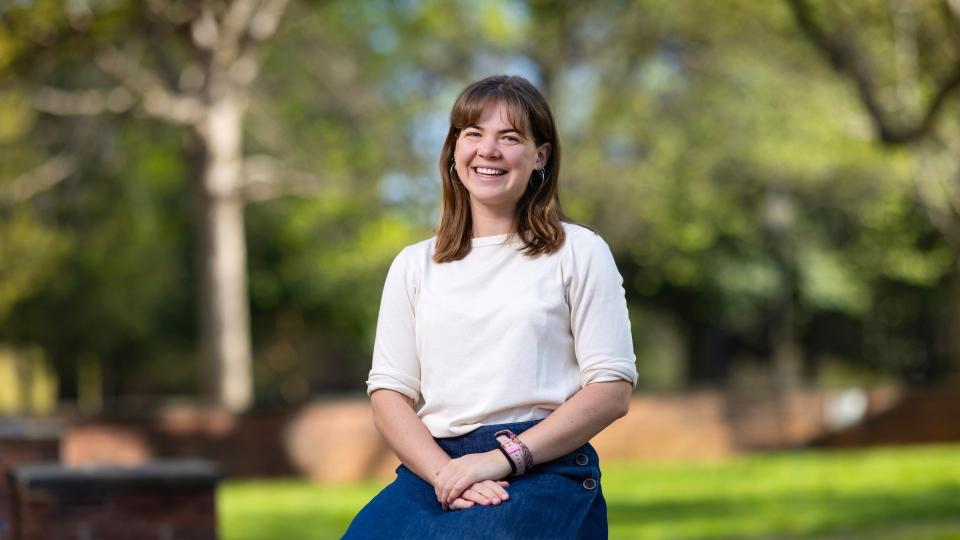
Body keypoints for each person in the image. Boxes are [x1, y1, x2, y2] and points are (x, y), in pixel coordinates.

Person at [342, 75, 638, 540]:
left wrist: (500, 460)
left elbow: (611, 389)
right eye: (474, 133)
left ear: (540, 156)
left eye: (510, 137)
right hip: (433, 470)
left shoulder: (580, 252)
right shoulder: (415, 264)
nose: (488, 150)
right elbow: (388, 395)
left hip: (540, 466)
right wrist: (446, 474)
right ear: (454, 149)